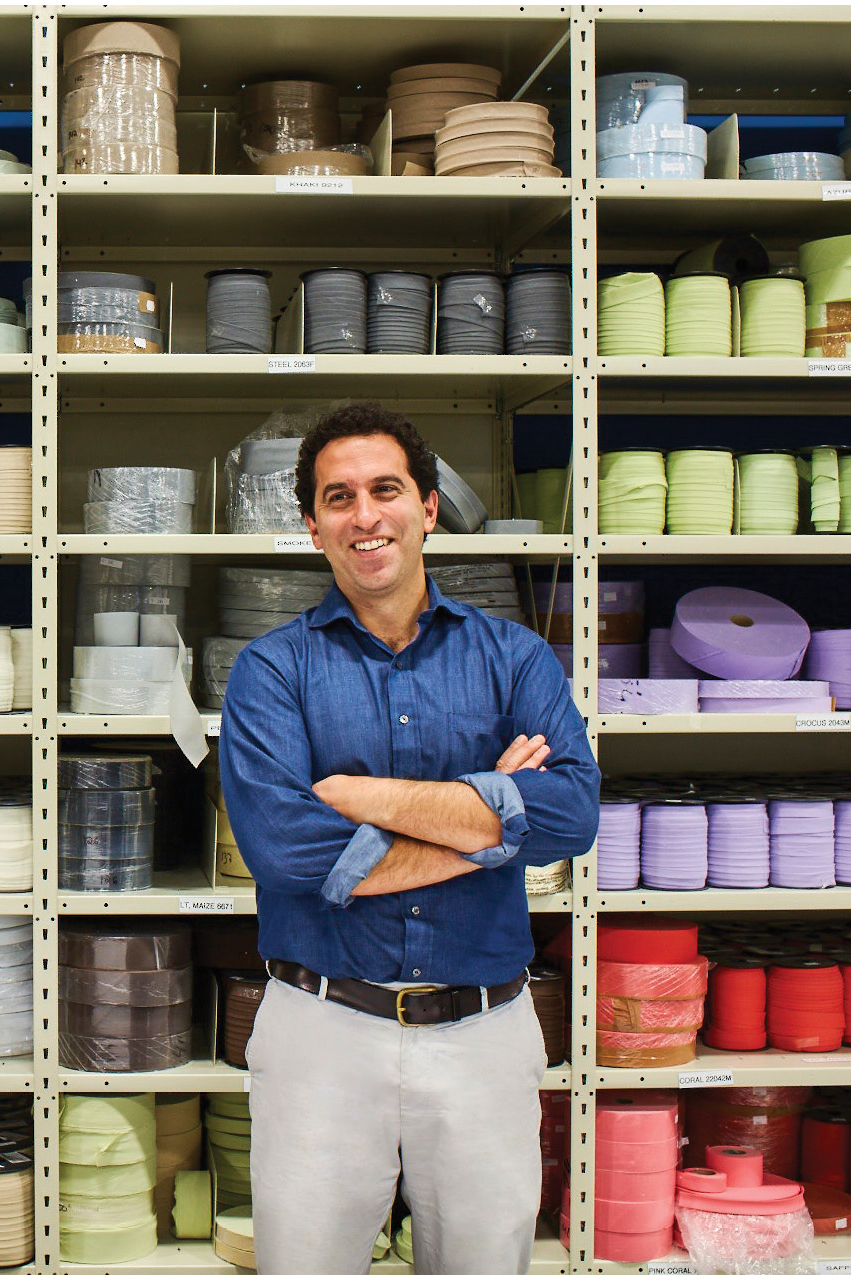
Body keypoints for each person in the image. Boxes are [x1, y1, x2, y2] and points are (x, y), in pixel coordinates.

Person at [219, 402, 599, 1275]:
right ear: (313, 526)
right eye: (338, 497)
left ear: (427, 506)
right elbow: (286, 850)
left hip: (482, 1032)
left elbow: (573, 812)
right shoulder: (272, 670)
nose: (365, 515)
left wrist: (360, 796)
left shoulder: (514, 658)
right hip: (322, 1030)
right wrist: (493, 820)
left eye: (385, 489)